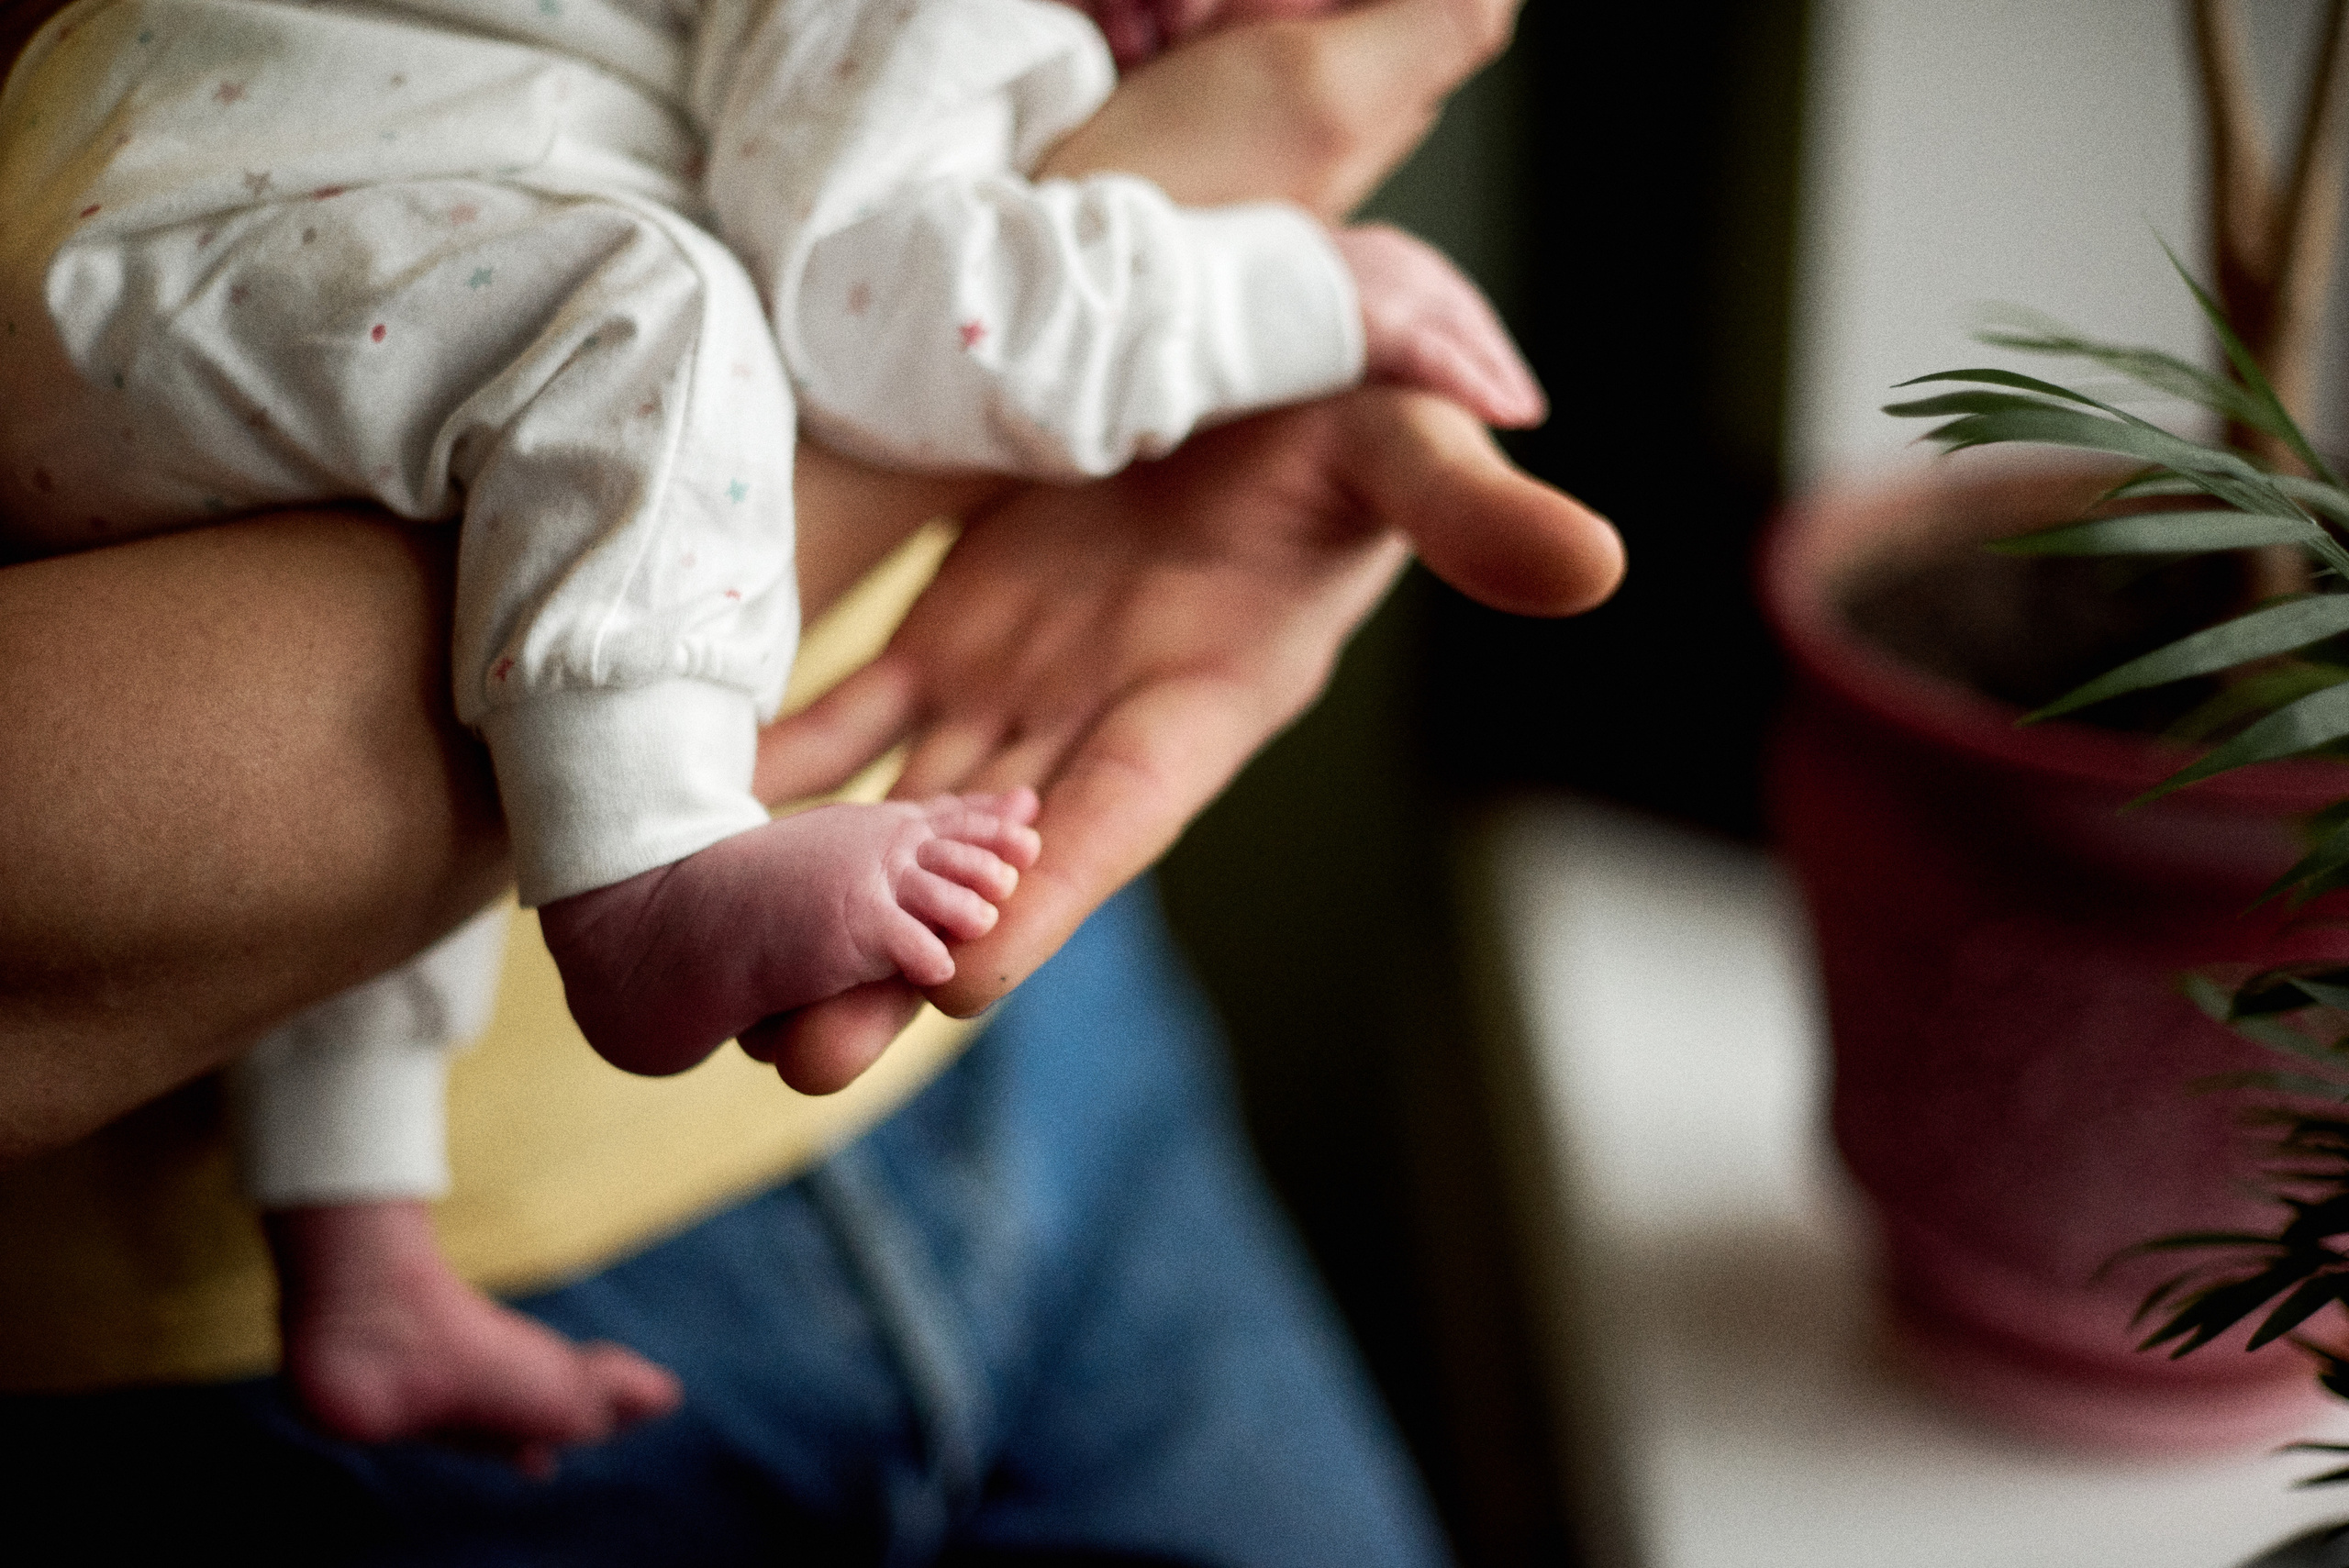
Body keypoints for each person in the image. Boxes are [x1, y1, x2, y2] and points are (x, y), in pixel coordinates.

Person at [0, 0, 1626, 1556]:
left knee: (511, 597)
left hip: (204, 265)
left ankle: (354, 1238)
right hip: (164, 265)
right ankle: (646, 879)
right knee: (640, 312)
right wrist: (1288, 284)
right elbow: (880, 307)